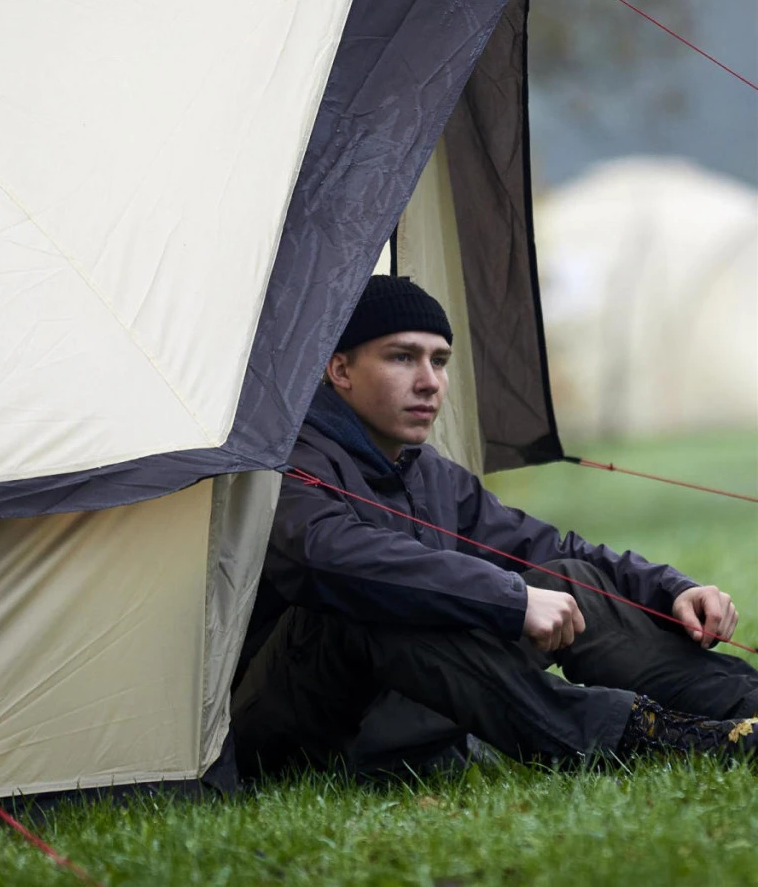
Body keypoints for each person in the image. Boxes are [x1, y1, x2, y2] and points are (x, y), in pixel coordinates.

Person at [232, 275, 758, 776]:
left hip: (409, 706)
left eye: (439, 361)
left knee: (569, 577)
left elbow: (544, 546)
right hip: (300, 732)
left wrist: (671, 588)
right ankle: (642, 737)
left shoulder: (427, 471)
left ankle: (743, 706)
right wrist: (511, 600)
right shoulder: (285, 460)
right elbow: (324, 556)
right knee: (370, 598)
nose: (429, 382)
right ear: (340, 370)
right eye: (402, 357)